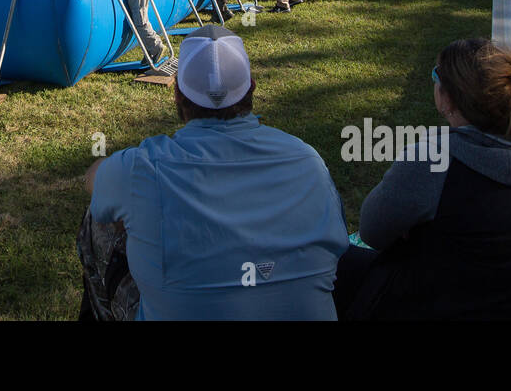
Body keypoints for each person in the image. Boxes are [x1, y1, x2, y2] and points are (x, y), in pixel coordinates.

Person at [79, 25, 347, 320]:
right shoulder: (308, 160)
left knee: (96, 218)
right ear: (252, 87)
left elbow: (93, 178)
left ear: (178, 93)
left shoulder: (140, 170)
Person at [334, 38, 511, 320]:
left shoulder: (434, 159)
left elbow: (372, 231)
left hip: (449, 302)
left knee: (330, 264)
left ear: (448, 97)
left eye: (435, 75)